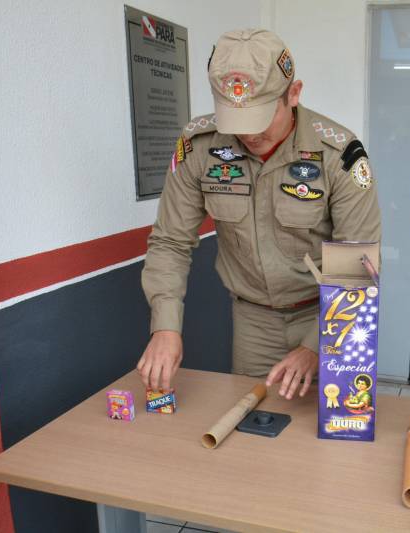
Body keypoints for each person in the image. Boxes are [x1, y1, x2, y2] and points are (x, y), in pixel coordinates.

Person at [138, 29, 381, 400]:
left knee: (336, 434)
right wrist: (165, 328)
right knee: (252, 430)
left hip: (330, 316)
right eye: (234, 119)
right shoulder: (199, 146)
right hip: (253, 320)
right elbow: (171, 242)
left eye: (260, 117)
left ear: (293, 94)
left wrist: (318, 344)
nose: (248, 134)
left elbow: (357, 262)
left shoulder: (338, 154)